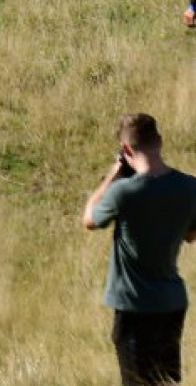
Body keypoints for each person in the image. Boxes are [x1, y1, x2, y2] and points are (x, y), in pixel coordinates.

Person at [83, 113, 196, 385]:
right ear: (160, 141)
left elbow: (89, 219)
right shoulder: (191, 187)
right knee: (166, 381)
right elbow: (191, 235)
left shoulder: (124, 191)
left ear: (126, 149)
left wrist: (113, 173)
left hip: (134, 306)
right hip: (172, 302)